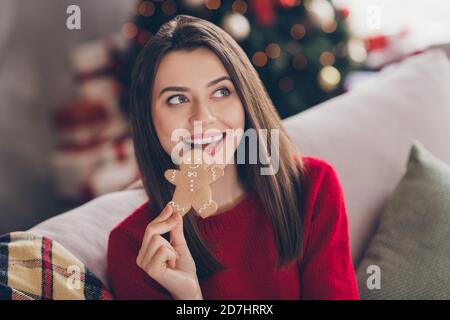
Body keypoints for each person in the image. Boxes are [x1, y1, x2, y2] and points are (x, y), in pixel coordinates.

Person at [107, 15, 359, 300]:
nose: (202, 117)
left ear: (245, 100)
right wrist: (189, 298)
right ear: (148, 118)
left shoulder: (311, 188)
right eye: (177, 99)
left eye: (221, 92)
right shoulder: (134, 248)